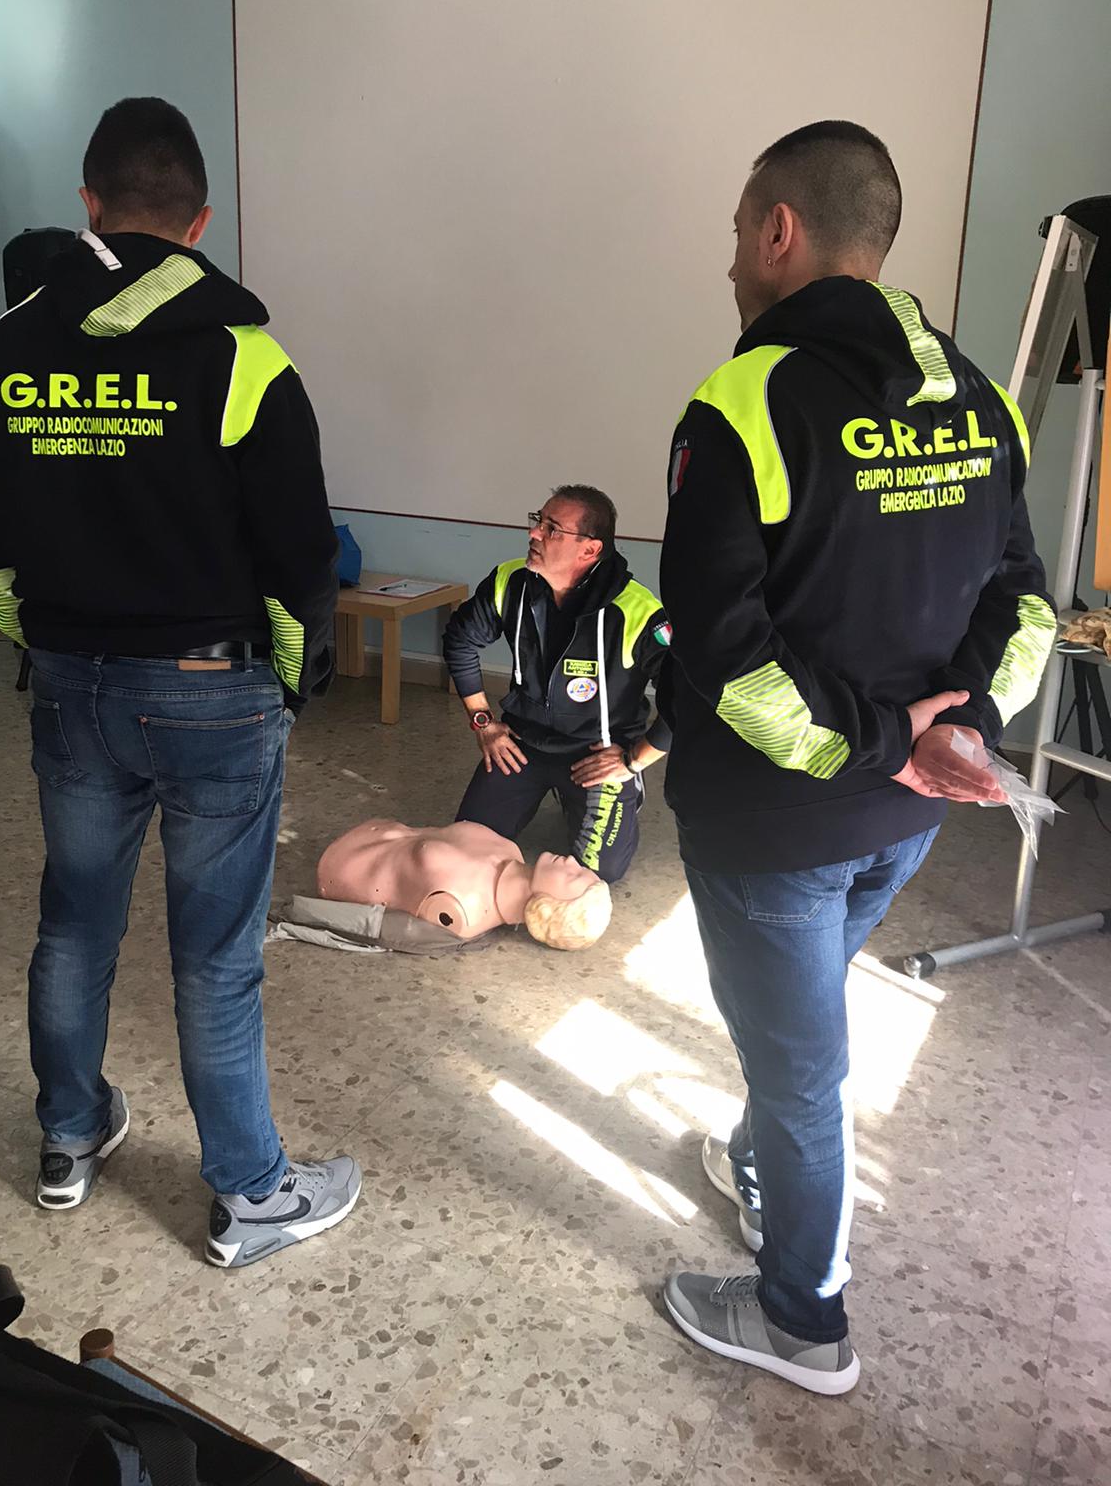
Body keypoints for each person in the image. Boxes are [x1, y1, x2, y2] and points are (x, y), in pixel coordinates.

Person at [658, 121, 1054, 1393]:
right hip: (905, 819)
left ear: (781, 229)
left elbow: (723, 656)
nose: (732, 260)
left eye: (740, 232)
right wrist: (958, 732)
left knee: (802, 1070)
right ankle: (763, 1166)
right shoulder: (983, 400)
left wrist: (893, 740)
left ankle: (804, 1321)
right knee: (797, 1035)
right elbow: (1026, 604)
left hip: (777, 824)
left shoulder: (743, 401)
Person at [0, 97, 361, 1270]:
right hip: (209, 684)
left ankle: (70, 1136)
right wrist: (286, 684)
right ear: (199, 221)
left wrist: (53, 645)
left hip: (71, 686)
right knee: (217, 953)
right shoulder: (245, 358)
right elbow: (301, 565)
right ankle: (250, 1192)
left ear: (88, 204)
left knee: (73, 923)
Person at [443, 485, 671, 884]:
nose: (534, 533)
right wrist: (483, 723)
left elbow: (687, 697)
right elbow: (460, 641)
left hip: (596, 755)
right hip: (522, 746)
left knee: (596, 874)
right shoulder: (510, 581)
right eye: (538, 521)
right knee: (466, 849)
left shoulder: (636, 610)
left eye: (552, 529)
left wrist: (632, 760)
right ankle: (554, 795)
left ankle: (620, 791)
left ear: (590, 550)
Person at [316, 819, 613, 948]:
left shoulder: (461, 912)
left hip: (342, 869)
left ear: (548, 909)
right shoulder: (511, 851)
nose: (571, 861)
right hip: (370, 834)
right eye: (580, 868)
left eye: (573, 876)